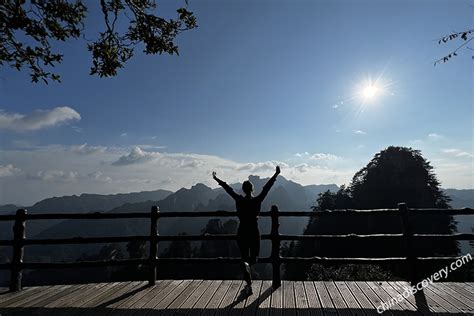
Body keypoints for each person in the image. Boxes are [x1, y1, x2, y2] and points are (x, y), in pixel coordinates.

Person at [212, 166, 280, 295]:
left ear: (243, 190)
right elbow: (267, 188)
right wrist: (275, 174)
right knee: (254, 258)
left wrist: (217, 179)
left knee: (244, 258)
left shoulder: (239, 200)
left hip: (242, 231)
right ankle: (248, 269)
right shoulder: (257, 200)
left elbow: (229, 189)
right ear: (252, 189)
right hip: (254, 231)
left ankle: (248, 284)